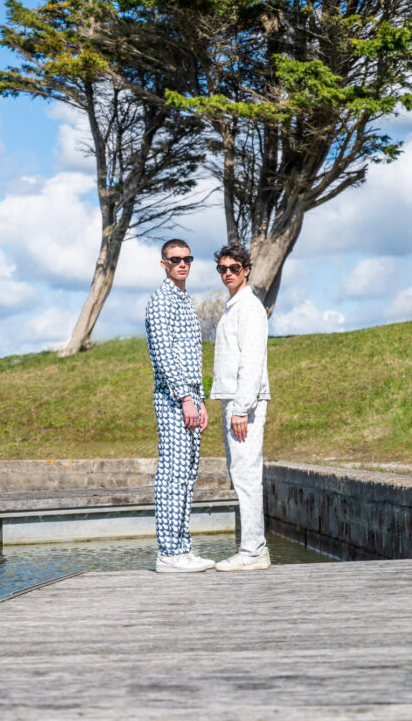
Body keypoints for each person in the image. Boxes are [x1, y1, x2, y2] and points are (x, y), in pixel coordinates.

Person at [145, 238, 214, 573]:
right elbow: (164, 355)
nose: (182, 264)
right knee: (172, 475)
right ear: (164, 264)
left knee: (187, 475)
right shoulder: (161, 302)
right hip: (173, 401)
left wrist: (199, 401)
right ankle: (168, 552)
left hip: (190, 400)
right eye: (175, 260)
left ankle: (182, 548)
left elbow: (191, 358)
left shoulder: (184, 301)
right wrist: (186, 398)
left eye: (187, 258)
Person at [210, 242, 271, 571]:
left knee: (247, 476)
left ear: (246, 270)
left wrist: (240, 408)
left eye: (234, 268)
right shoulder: (235, 307)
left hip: (243, 404)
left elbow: (252, 362)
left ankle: (253, 551)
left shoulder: (250, 309)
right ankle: (253, 548)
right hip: (234, 400)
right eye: (222, 269)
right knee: (242, 475)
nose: (228, 274)